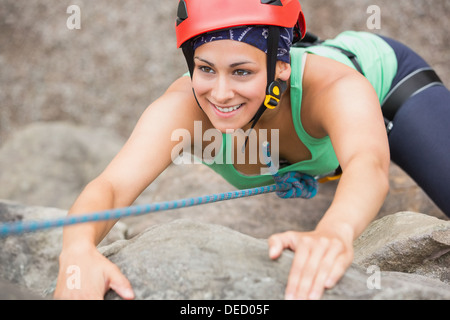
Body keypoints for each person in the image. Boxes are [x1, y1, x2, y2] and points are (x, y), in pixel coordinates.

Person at [54, 0, 449, 300]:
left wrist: (334, 233)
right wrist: (76, 250)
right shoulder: (183, 108)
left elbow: (368, 165)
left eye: (241, 71)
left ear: (281, 67)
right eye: (206, 68)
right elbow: (110, 187)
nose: (220, 94)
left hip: (390, 86)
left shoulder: (336, 90)